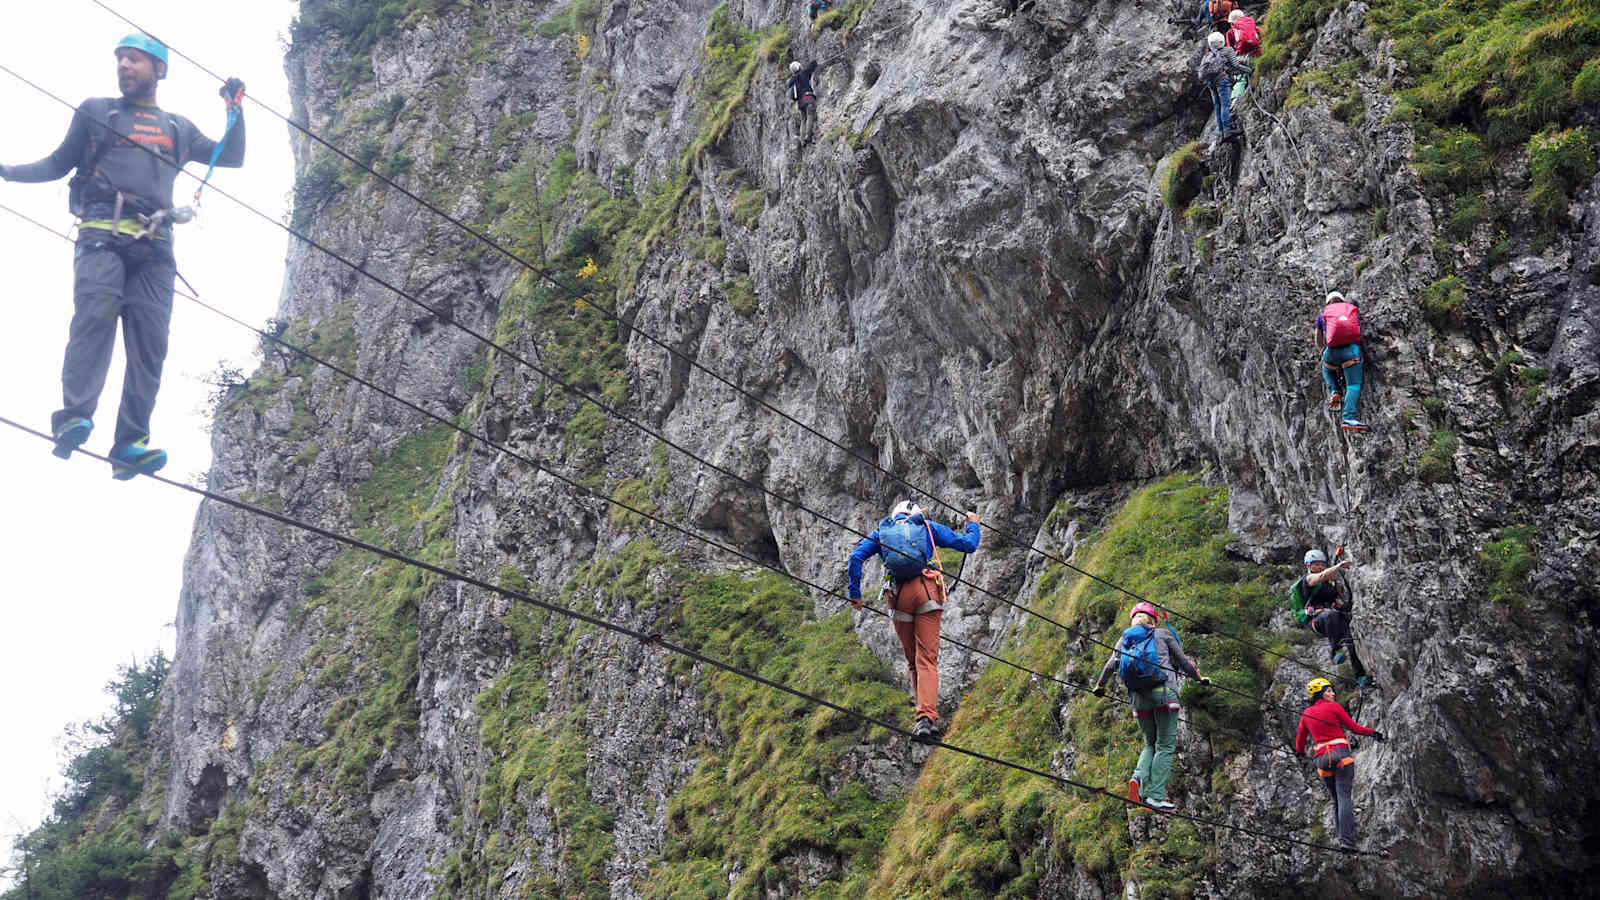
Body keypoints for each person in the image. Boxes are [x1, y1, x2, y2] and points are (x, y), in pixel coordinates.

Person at [0, 34, 246, 479]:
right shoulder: (97, 111)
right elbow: (58, 163)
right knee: (94, 319)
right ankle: (74, 416)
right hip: (102, 234)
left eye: (134, 59)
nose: (124, 66)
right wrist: (8, 172)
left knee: (150, 346)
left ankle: (131, 442)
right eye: (120, 59)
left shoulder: (178, 128)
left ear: (160, 70)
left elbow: (232, 155)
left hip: (155, 248)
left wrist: (235, 111)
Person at [847, 501, 981, 741]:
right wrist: (973, 525)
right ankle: (926, 718)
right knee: (927, 659)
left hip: (898, 598)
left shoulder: (882, 532)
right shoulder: (926, 527)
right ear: (914, 515)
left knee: (913, 661)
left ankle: (921, 718)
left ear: (895, 516)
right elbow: (968, 545)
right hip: (926, 590)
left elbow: (855, 558)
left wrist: (855, 594)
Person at [1092, 602, 1209, 811]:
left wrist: (1100, 686)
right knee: (1165, 745)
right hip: (1164, 694)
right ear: (1153, 619)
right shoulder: (1162, 634)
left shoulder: (1125, 639)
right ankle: (1154, 797)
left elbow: (1111, 665)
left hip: (1139, 699)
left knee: (1150, 744)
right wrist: (1199, 678)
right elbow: (1183, 661)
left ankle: (1137, 777)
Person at [1295, 677, 1384, 853]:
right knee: (1344, 798)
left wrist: (1299, 754)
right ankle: (1348, 842)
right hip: (1341, 755)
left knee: (1336, 800)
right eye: (1329, 691)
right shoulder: (1334, 707)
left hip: (1322, 760)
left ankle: (1343, 840)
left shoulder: (1306, 714)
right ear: (1321, 693)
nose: (1333, 693)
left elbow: (1300, 742)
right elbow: (1354, 728)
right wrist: (1374, 733)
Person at [1294, 548, 1374, 685]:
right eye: (1316, 564)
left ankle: (1361, 677)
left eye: (1322, 564)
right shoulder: (1307, 580)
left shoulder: (1329, 583)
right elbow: (1320, 577)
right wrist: (1337, 567)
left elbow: (1341, 596)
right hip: (1318, 620)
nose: (1319, 567)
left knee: (1351, 640)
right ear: (1309, 566)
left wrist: (1336, 585)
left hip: (1335, 617)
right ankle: (1335, 651)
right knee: (1330, 615)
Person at [1317, 291, 1369, 432]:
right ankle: (1349, 417)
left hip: (1331, 353)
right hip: (1350, 353)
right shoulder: (1350, 312)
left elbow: (1318, 339)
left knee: (1327, 369)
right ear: (1342, 300)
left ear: (1328, 303)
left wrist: (1323, 350)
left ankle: (1335, 391)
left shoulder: (1323, 315)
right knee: (1353, 385)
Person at [1196, 32, 1252, 138]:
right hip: (1222, 80)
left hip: (1211, 83)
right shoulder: (1228, 50)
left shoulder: (1208, 55)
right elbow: (1235, 65)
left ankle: (1222, 132)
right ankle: (1228, 129)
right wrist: (1249, 70)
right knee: (1225, 104)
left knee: (1217, 106)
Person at [1224, 9, 1261, 104]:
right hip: (1256, 55)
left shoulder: (1230, 32)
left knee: (1240, 79)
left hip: (1241, 58)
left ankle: (1235, 100)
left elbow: (1229, 50)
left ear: (1232, 22)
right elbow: (1262, 36)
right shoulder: (1253, 27)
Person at [786, 59, 819, 144]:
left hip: (800, 102)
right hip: (808, 97)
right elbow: (812, 64)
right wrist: (816, 61)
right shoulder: (803, 73)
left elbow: (789, 85)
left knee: (803, 119)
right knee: (810, 115)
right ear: (799, 67)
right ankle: (808, 136)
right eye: (800, 65)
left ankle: (802, 140)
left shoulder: (792, 79)